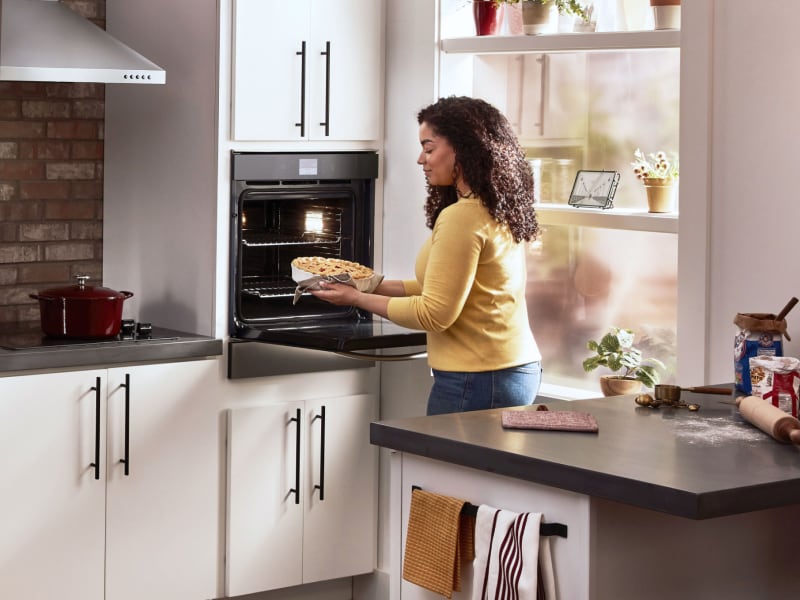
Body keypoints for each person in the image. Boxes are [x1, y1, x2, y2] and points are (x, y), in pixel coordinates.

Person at [310, 95, 542, 415]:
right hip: (502, 369)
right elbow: (436, 289)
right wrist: (367, 282)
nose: (421, 159)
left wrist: (355, 299)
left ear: (464, 148)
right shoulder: (489, 208)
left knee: (445, 466)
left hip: (479, 378)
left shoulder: (462, 217)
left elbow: (434, 313)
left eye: (429, 148)